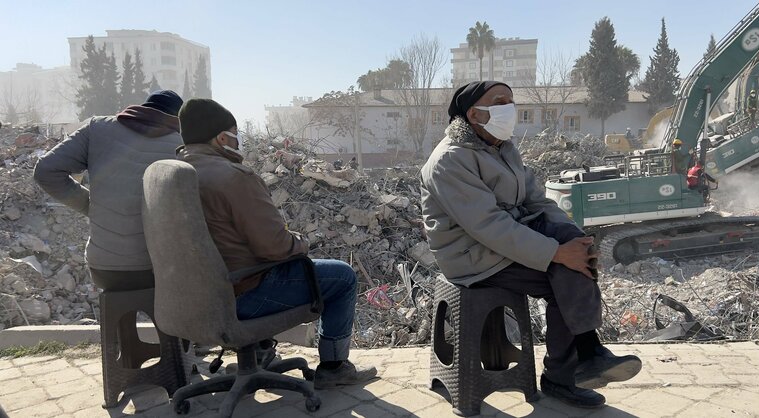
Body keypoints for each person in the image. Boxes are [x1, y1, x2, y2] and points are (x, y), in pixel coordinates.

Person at [420, 81, 642, 409]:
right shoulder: (450, 160)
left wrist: (575, 239)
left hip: (509, 237)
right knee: (562, 274)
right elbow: (488, 226)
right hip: (472, 255)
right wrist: (555, 253)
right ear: (474, 113)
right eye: (499, 102)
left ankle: (587, 353)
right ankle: (564, 373)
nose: (509, 108)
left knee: (575, 253)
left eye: (511, 101)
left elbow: (538, 201)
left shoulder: (503, 148)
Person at [175, 98, 376, 389]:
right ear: (221, 137)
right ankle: (334, 367)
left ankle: (258, 351)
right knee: (342, 276)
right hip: (242, 296)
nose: (237, 139)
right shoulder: (233, 178)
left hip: (193, 300)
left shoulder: (171, 175)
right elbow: (275, 247)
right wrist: (301, 243)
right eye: (234, 132)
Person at [34, 90, 184, 291]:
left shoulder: (97, 128)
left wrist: (90, 205)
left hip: (104, 268)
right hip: (158, 269)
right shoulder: (183, 147)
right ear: (177, 119)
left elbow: (46, 170)